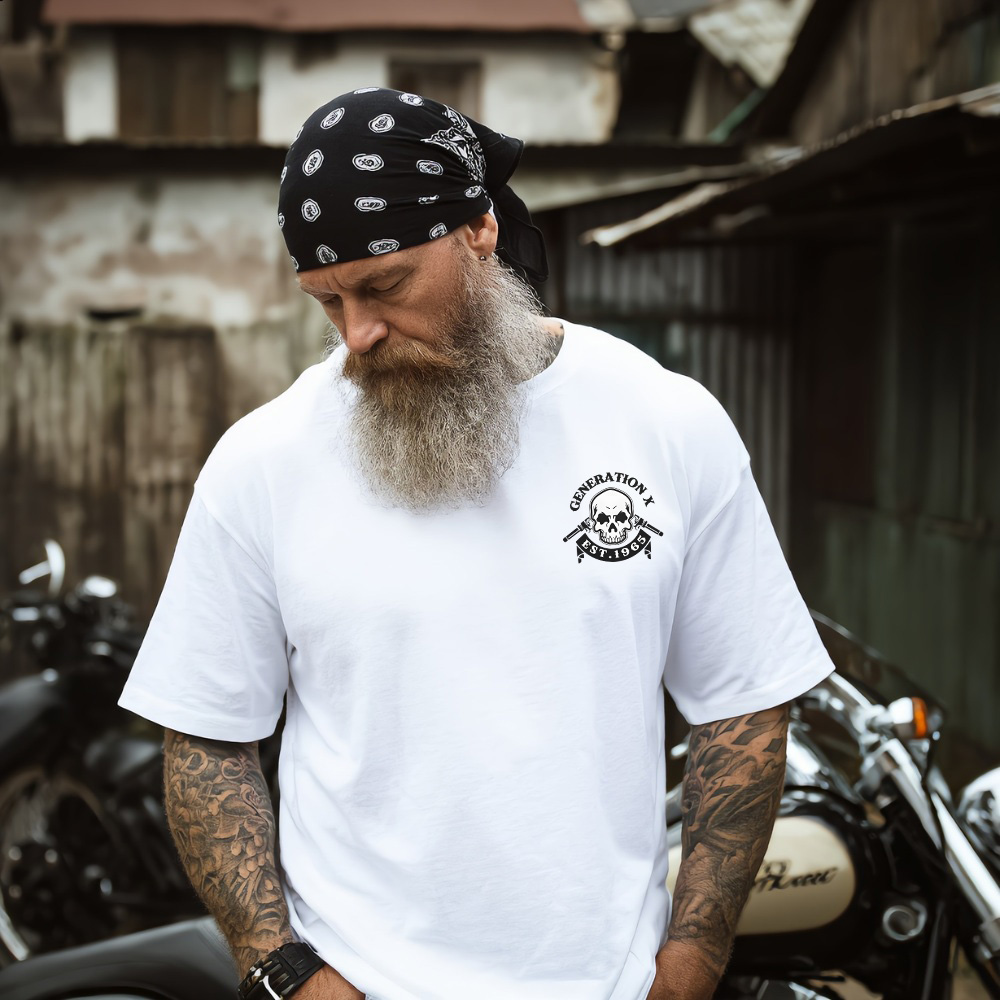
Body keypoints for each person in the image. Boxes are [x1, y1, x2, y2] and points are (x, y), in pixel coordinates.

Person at [118, 88, 837, 1000]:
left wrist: (693, 961)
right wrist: (283, 970)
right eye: (327, 300)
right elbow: (205, 739)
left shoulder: (663, 421)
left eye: (384, 285)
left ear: (479, 229)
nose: (358, 333)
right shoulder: (263, 462)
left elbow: (742, 706)